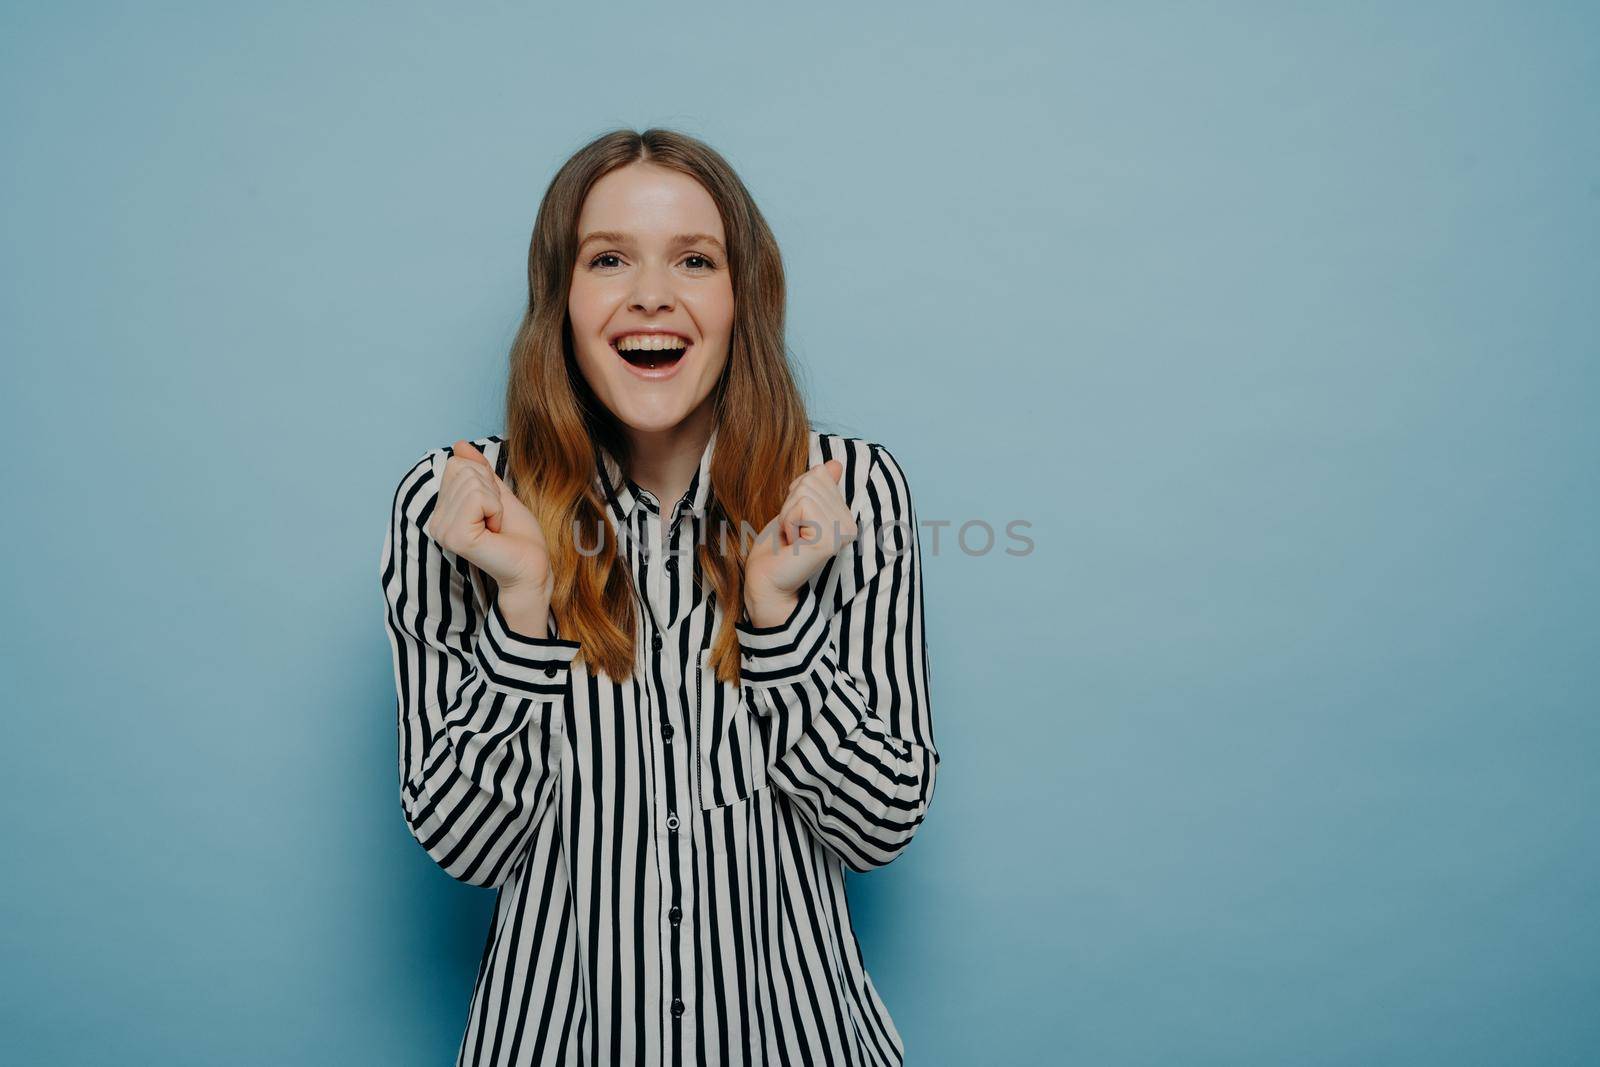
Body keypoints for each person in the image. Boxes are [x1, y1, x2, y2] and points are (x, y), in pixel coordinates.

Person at [379, 127, 939, 1066]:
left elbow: (881, 820)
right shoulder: (461, 508)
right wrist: (523, 613)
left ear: (740, 299)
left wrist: (777, 621)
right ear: (559, 298)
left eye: (694, 259)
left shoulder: (848, 493)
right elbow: (463, 848)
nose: (652, 295)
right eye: (608, 260)